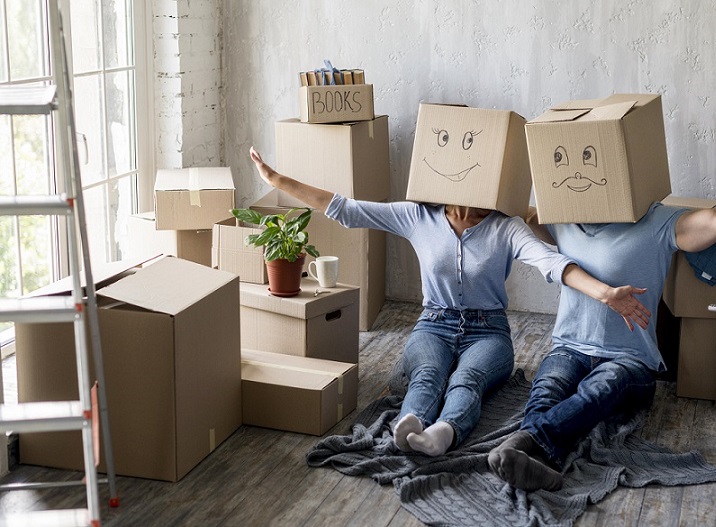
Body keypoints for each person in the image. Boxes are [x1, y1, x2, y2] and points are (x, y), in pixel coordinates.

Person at [489, 147, 716, 491]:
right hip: (569, 347)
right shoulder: (563, 220)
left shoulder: (658, 222)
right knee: (547, 390)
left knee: (601, 388)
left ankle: (533, 446)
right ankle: (532, 457)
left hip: (630, 361)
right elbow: (511, 209)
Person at [247, 146, 652, 457]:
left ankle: (445, 432)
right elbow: (347, 210)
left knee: (467, 378)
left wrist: (606, 294)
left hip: (488, 331)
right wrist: (277, 179)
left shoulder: (506, 227)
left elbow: (551, 263)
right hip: (433, 324)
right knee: (428, 374)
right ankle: (411, 424)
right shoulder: (417, 217)